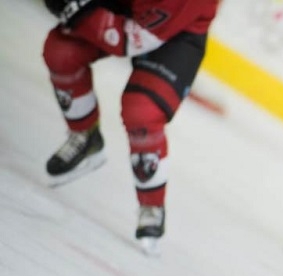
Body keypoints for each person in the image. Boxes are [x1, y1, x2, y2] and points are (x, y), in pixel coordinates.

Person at [42, 0, 220, 254]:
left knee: (142, 110)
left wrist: (78, 12)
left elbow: (128, 40)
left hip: (177, 35)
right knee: (61, 51)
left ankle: (152, 205)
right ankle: (85, 137)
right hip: (129, 9)